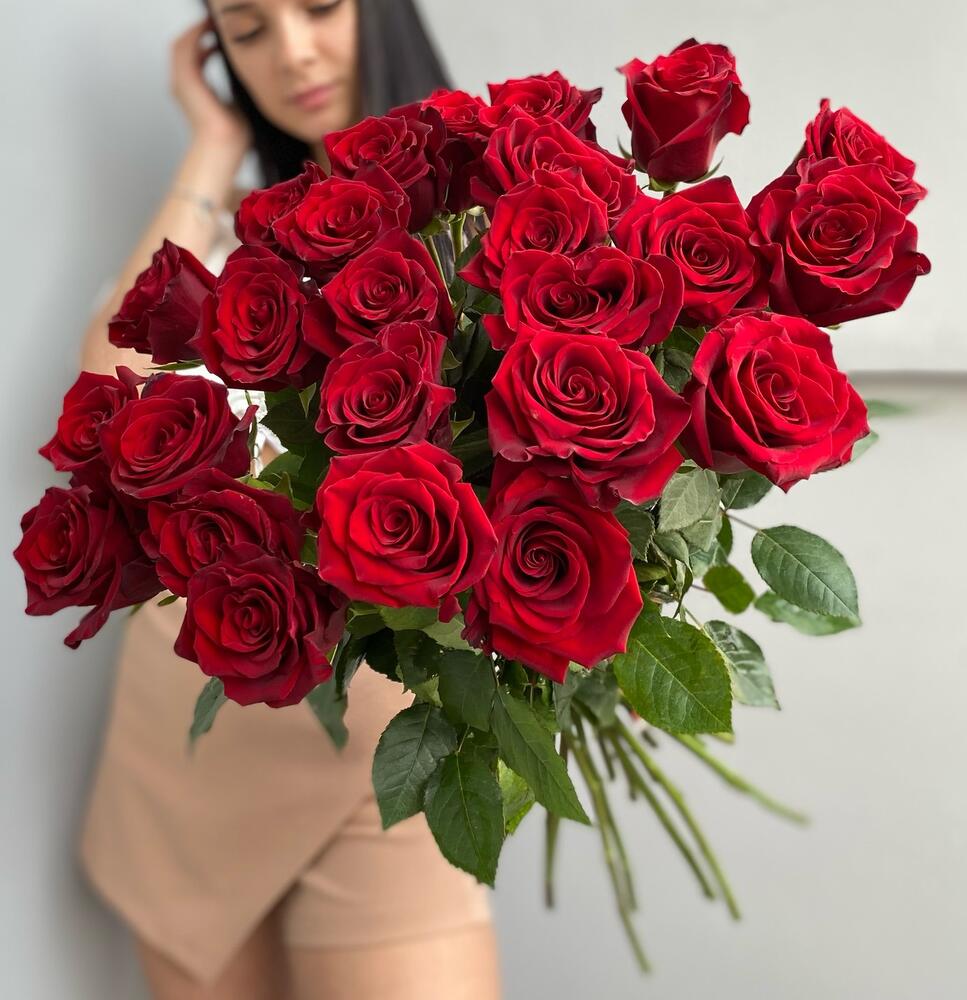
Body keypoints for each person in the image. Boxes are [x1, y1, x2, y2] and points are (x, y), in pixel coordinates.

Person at [76, 3, 503, 998]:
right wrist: (214, 140)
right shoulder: (235, 242)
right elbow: (102, 388)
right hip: (199, 721)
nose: (293, 52)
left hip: (386, 731)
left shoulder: (493, 225)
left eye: (317, 6)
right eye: (248, 28)